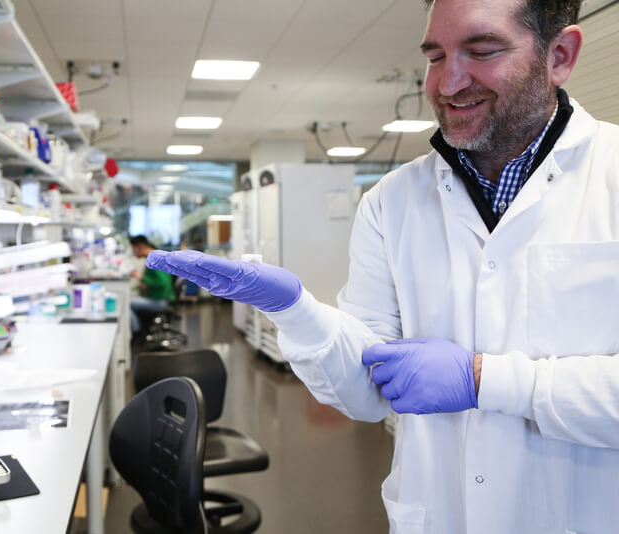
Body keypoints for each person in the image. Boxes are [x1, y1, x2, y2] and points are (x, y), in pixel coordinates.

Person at [147, 1, 619, 532]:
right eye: (435, 55)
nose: (448, 82)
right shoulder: (391, 202)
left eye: (482, 50)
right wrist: (297, 310)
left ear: (560, 54)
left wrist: (487, 379)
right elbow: (365, 392)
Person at [128, 235, 175, 334]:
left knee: (125, 303)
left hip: (159, 301)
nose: (133, 252)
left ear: (140, 246)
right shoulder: (155, 256)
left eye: (133, 249)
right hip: (159, 298)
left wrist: (141, 277)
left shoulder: (155, 259)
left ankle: (137, 332)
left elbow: (162, 282)